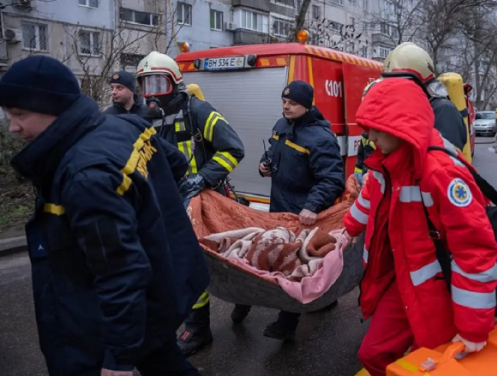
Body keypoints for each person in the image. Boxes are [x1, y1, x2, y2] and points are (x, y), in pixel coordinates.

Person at [0, 55, 209, 375]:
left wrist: (118, 360)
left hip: (106, 319)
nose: (13, 127)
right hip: (160, 287)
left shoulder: (86, 175)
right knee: (163, 358)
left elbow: (121, 273)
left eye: (20, 114)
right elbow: (175, 165)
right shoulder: (125, 125)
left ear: (52, 106)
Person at [343, 78, 497, 376]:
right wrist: (349, 229)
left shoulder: (441, 173)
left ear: (400, 126)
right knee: (373, 353)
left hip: (441, 289)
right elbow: (369, 199)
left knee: (425, 364)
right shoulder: (386, 162)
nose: (371, 136)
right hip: (405, 279)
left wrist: (473, 329)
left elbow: (475, 251)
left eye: (377, 127)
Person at [136, 51, 245, 356]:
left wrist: (203, 178)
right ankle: (197, 327)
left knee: (224, 260)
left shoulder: (198, 111)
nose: (152, 93)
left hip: (203, 201)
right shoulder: (145, 119)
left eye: (159, 83)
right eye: (146, 84)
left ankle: (241, 298)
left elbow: (233, 148)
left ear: (175, 83)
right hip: (166, 204)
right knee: (178, 266)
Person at [231, 80, 345, 340]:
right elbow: (273, 151)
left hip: (302, 215)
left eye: (292, 103)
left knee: (292, 266)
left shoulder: (321, 138)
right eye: (284, 102)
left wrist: (312, 206)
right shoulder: (282, 125)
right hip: (278, 208)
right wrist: (264, 165)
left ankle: (287, 321)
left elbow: (332, 180)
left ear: (306, 105)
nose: (286, 107)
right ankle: (244, 299)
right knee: (263, 255)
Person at [381, 42, 467, 151]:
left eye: (399, 83)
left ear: (420, 83)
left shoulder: (443, 111)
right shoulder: (412, 109)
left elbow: (444, 162)